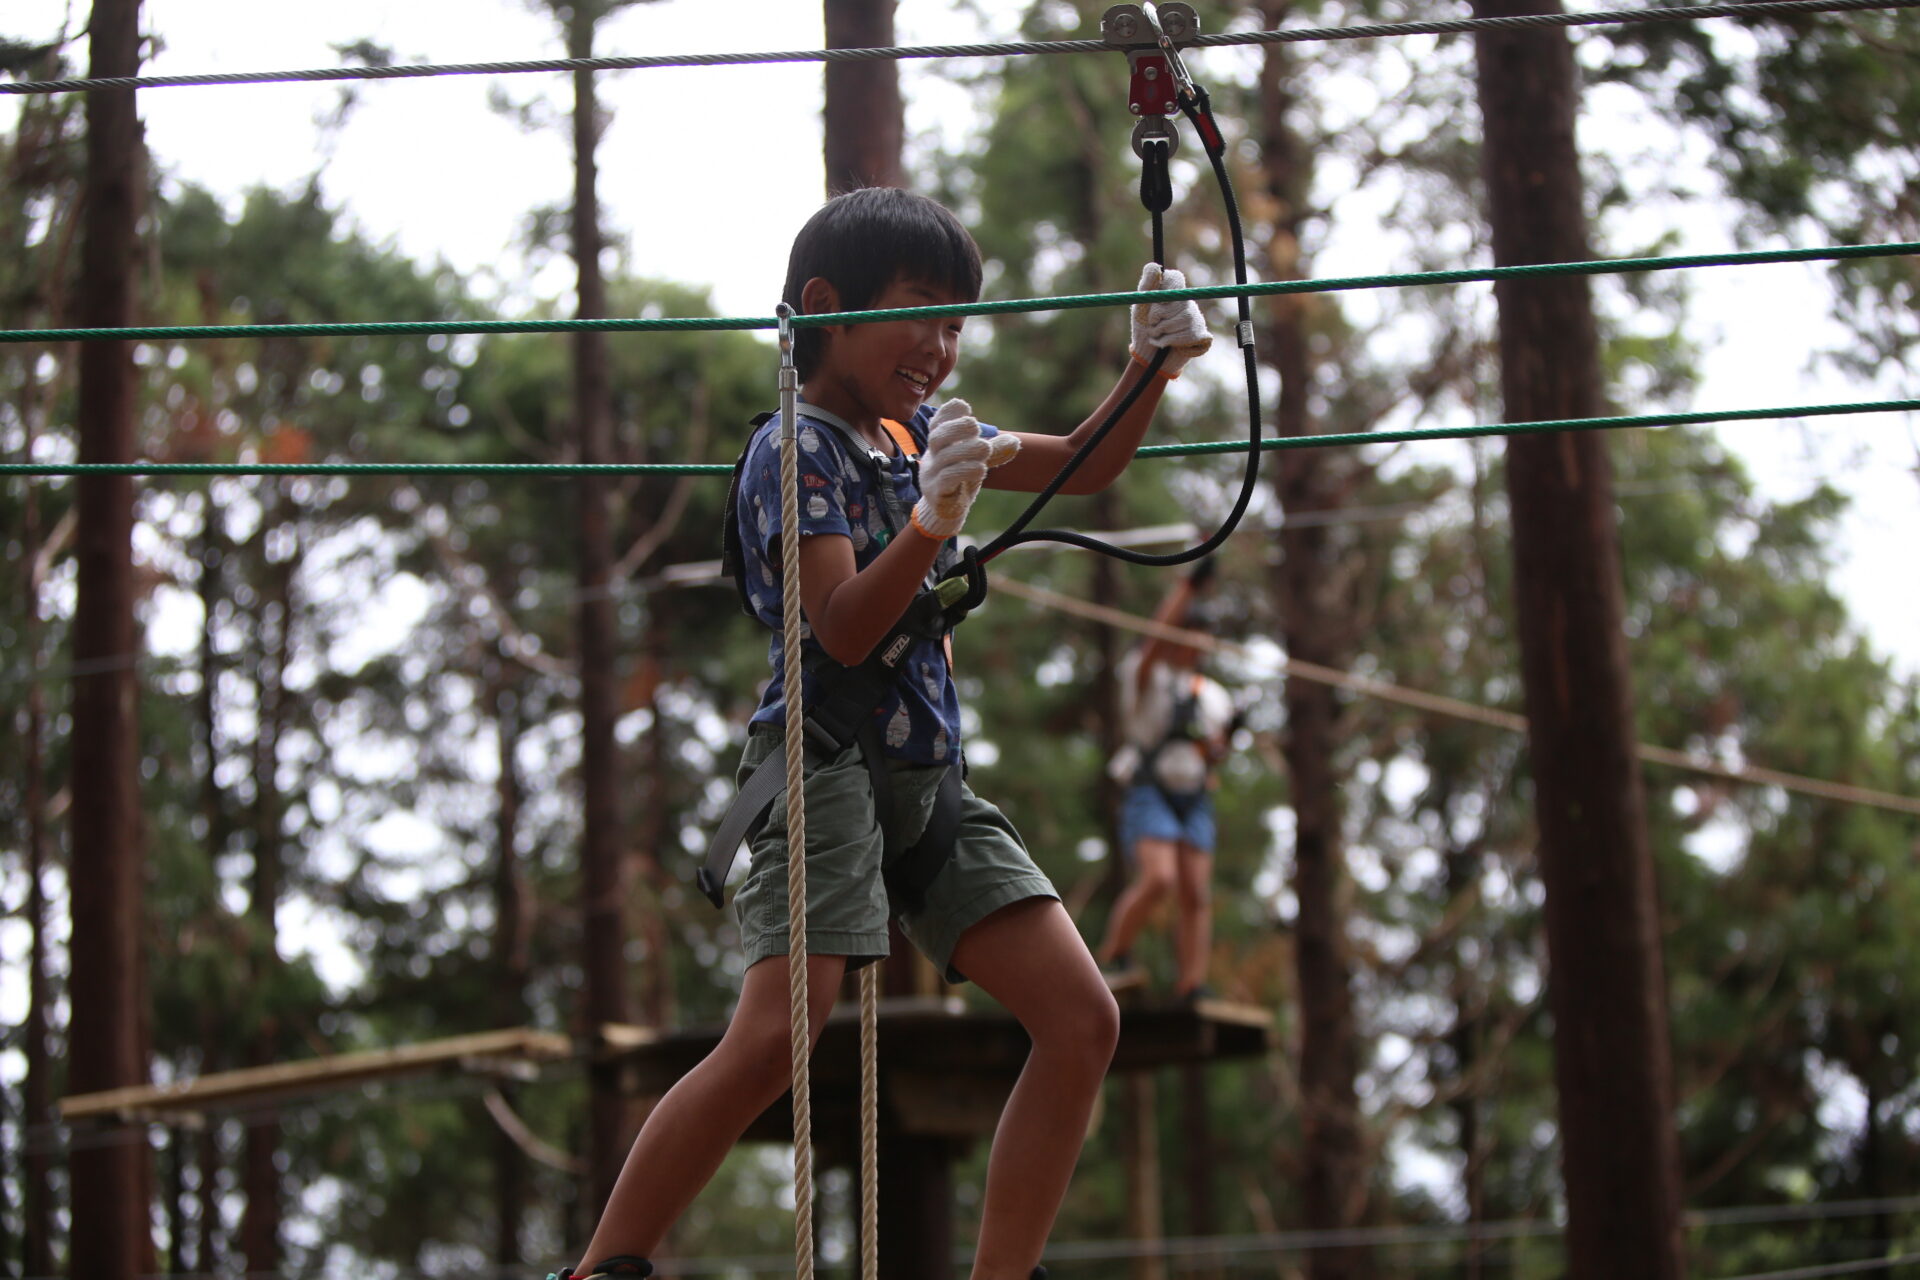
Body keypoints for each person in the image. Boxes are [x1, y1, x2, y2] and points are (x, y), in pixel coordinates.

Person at [556, 186, 1212, 1280]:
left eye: (956, 322)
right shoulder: (794, 448)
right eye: (919, 313)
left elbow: (1085, 463)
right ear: (827, 307)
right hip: (825, 768)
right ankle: (601, 1269)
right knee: (774, 1039)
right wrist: (931, 521)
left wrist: (1148, 368)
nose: (941, 347)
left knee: (1081, 1018)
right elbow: (845, 627)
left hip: (926, 776)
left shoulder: (917, 436)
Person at [1094, 559, 1238, 1001]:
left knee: (1195, 892)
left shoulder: (1213, 696)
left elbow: (1212, 755)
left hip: (1193, 795)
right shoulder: (1147, 674)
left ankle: (1192, 983)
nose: (1196, 640)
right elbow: (1156, 638)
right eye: (1190, 630)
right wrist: (1186, 588)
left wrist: (1224, 742)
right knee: (1160, 879)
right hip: (1150, 788)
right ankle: (1114, 954)